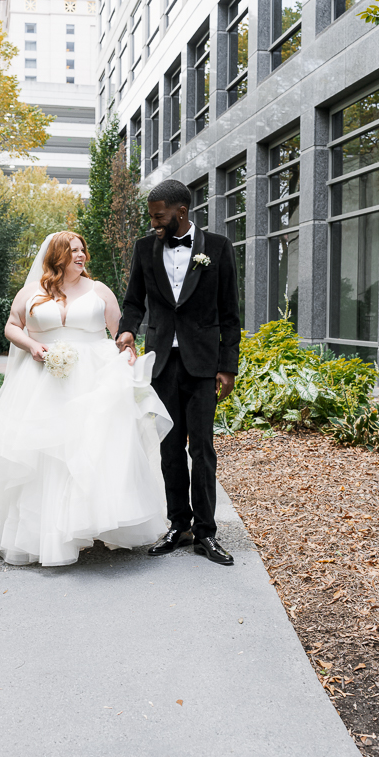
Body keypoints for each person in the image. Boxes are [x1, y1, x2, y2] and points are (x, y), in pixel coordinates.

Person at [0, 231, 172, 567]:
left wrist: (128, 351)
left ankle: (95, 522)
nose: (80, 255)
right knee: (45, 454)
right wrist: (32, 345)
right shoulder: (31, 292)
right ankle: (47, 533)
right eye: (73, 250)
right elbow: (12, 326)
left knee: (92, 449)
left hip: (92, 380)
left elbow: (120, 333)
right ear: (56, 255)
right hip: (41, 380)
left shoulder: (99, 291)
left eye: (82, 249)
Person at [116, 180, 241, 566]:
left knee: (201, 449)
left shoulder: (218, 247)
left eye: (159, 216)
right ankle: (178, 525)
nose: (153, 223)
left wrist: (227, 367)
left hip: (202, 365)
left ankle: (206, 532)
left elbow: (230, 314)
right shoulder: (144, 248)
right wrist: (126, 329)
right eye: (152, 217)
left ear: (181, 212)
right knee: (169, 448)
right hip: (161, 364)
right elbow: (134, 301)